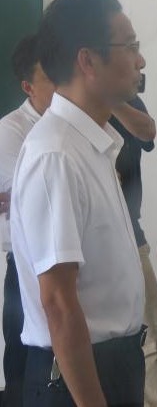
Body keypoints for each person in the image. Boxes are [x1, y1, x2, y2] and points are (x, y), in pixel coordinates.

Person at [11, 0, 146, 407]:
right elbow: (58, 302)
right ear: (87, 61)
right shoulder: (57, 154)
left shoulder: (91, 143)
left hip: (112, 363)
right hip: (76, 378)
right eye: (130, 46)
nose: (140, 61)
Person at [109, 89, 157, 407]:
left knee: (150, 337)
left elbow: (148, 132)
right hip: (85, 248)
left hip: (132, 239)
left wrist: (108, 97)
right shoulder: (67, 108)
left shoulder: (125, 99)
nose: (138, 67)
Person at [0, 34, 56, 406]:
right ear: (28, 87)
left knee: (56, 357)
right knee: (23, 359)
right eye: (49, 77)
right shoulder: (12, 129)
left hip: (68, 262)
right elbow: (26, 196)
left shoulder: (78, 124)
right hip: (25, 266)